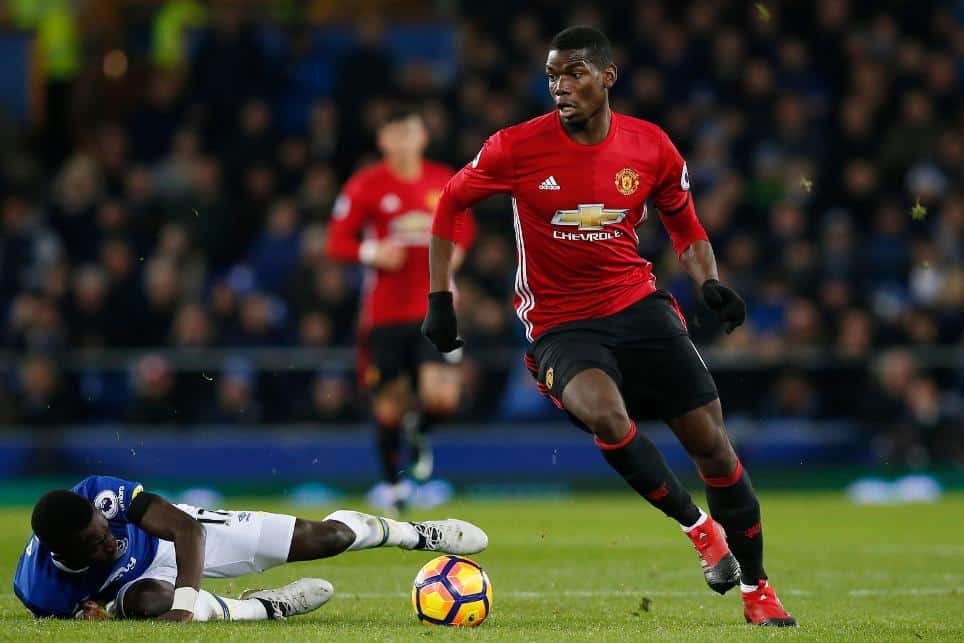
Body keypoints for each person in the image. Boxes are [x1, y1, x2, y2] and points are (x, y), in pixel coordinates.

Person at [421, 26, 795, 627]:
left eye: (573, 73)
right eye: (551, 76)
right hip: (560, 323)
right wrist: (441, 298)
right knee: (606, 414)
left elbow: (685, 224)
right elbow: (450, 201)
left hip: (638, 307)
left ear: (607, 76)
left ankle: (760, 591)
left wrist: (709, 283)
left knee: (715, 451)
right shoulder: (515, 147)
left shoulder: (651, 147)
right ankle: (700, 531)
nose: (559, 87)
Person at [14, 475, 487, 621]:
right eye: (97, 546)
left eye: (106, 529)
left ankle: (413, 533)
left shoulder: (99, 495)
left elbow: (185, 530)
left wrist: (187, 605)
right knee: (143, 603)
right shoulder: (41, 591)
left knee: (328, 538)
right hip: (134, 586)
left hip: (170, 538)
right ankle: (263, 608)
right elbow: (81, 613)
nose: (110, 540)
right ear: (66, 553)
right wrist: (89, 614)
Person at [327, 105, 476, 510]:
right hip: (385, 312)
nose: (403, 141)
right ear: (383, 140)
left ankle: (419, 432)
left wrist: (455, 254)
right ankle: (394, 487)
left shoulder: (442, 180)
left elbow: (464, 226)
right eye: (394, 133)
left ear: (422, 138)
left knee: (442, 397)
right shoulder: (367, 184)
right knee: (389, 402)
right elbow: (336, 240)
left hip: (435, 306)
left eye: (410, 132)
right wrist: (372, 250)